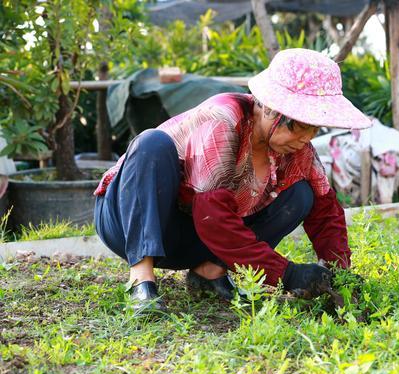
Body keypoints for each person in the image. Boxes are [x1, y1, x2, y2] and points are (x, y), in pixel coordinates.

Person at [93, 48, 372, 313]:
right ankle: (141, 280)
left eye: (314, 129)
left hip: (191, 238)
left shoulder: (299, 151)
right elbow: (213, 218)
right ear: (269, 109)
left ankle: (209, 273)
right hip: (128, 222)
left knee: (302, 195)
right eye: (300, 126)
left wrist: (339, 276)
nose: (306, 138)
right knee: (151, 143)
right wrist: (286, 274)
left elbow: (326, 212)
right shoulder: (225, 119)